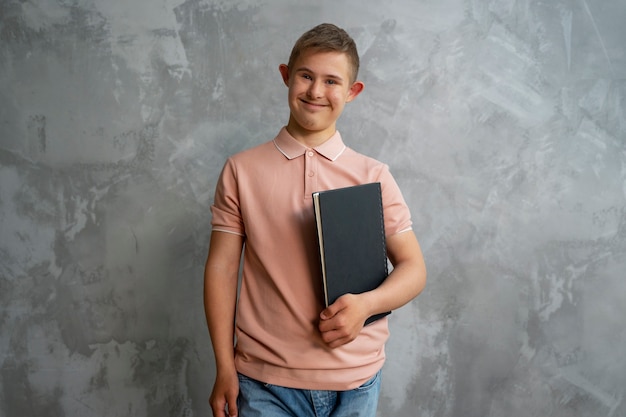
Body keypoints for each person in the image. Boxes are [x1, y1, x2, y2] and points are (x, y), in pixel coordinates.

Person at [204, 23, 427, 417]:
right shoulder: (241, 170)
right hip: (264, 382)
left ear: (352, 92)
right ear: (286, 76)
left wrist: (366, 305)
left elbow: (414, 269)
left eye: (331, 81)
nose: (316, 91)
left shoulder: (372, 175)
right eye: (306, 76)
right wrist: (224, 364)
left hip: (355, 381)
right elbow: (222, 268)